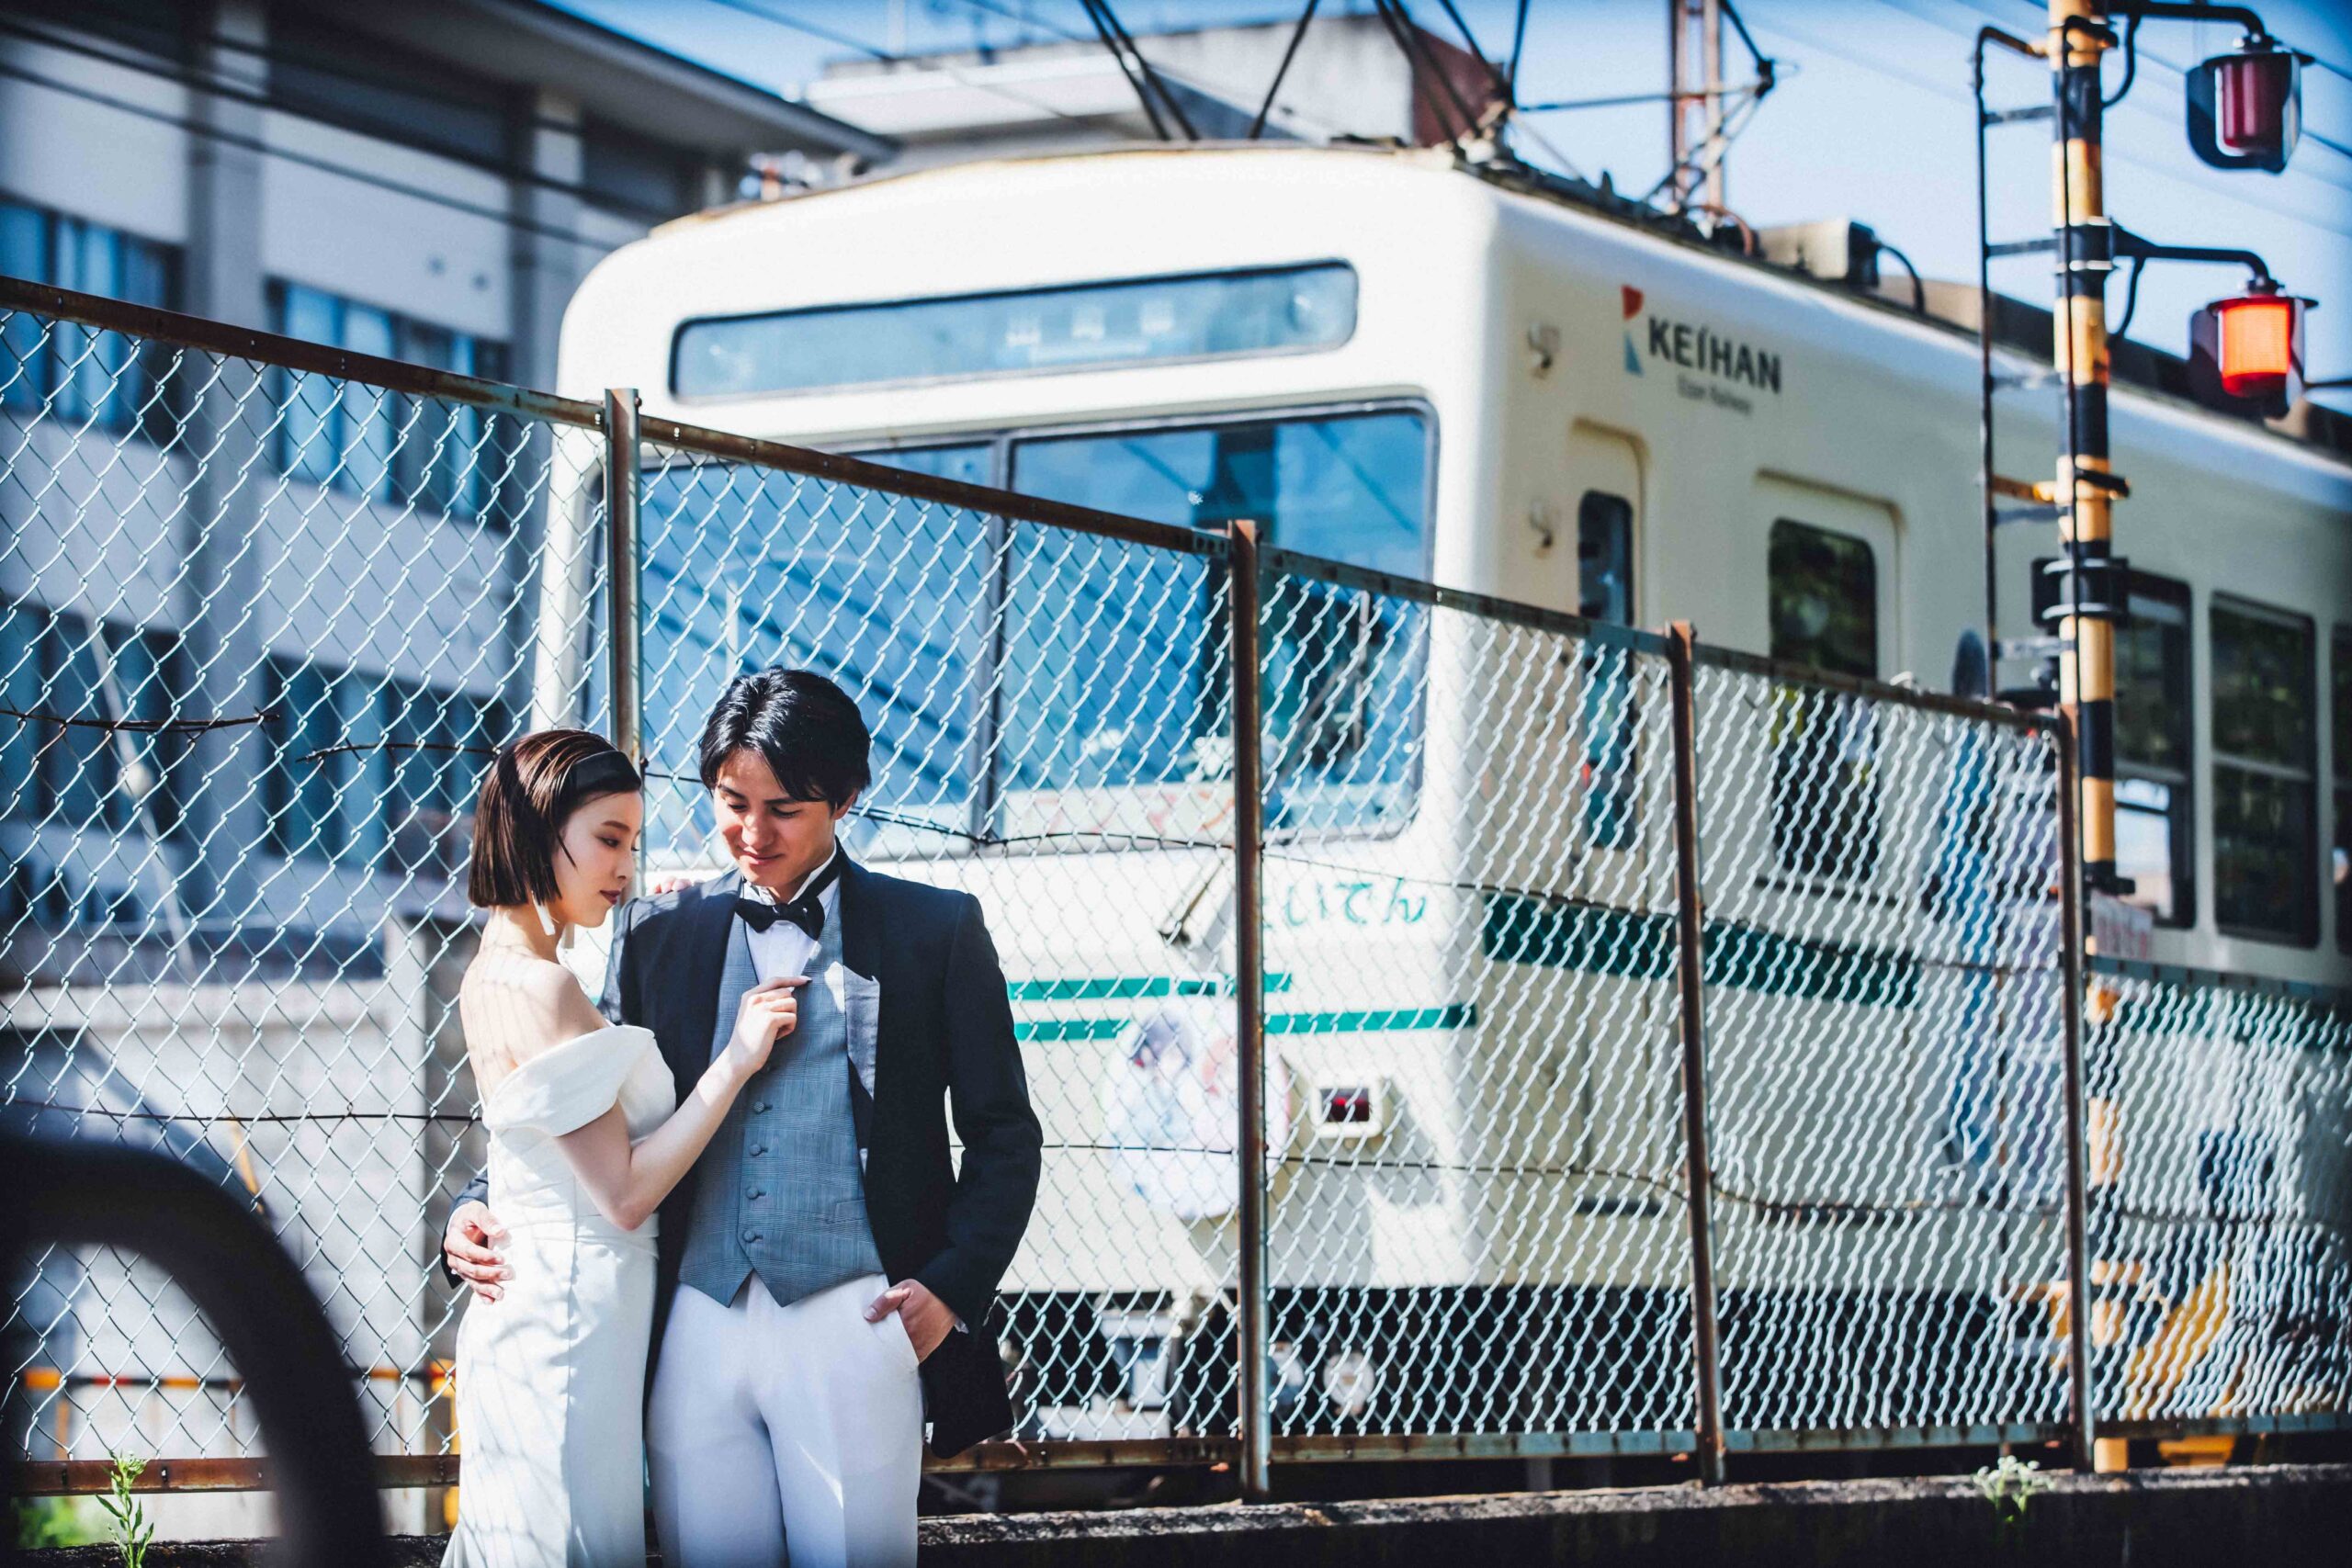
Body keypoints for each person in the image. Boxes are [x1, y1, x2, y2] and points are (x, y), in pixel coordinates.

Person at [443, 670, 1043, 1568]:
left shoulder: (935, 930)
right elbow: (571, 1092)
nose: (752, 834)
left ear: (845, 798)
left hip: (858, 1314)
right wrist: (479, 1201)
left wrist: (951, 1288)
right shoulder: (656, 930)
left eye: (785, 810)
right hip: (693, 1322)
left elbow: (1005, 1132)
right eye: (732, 803)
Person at [442, 729, 802, 1568]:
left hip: (549, 1307)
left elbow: (542, 1146)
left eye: (632, 843)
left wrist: (666, 929)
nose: (625, 868)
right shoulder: (545, 986)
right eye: (608, 839)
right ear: (537, 831)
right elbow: (626, 1190)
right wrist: (739, 1058)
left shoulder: (493, 970)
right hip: (571, 1314)